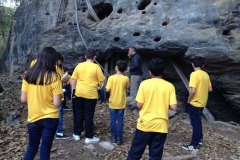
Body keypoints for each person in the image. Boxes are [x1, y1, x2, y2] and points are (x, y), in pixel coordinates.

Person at [127, 58, 177, 160]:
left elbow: (139, 105)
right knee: (155, 156)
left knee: (135, 153)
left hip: (145, 124)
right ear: (164, 71)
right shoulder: (169, 86)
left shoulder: (144, 84)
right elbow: (174, 107)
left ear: (149, 72)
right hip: (161, 126)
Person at [21, 47, 63, 160]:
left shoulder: (28, 75)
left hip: (33, 117)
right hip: (50, 117)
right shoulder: (54, 76)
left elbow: (23, 99)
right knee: (45, 150)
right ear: (52, 60)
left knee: (32, 147)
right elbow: (56, 103)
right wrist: (60, 95)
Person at [71, 49, 105, 143]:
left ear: (85, 57)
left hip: (79, 92)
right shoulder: (96, 67)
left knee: (78, 113)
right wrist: (100, 87)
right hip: (91, 94)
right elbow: (101, 81)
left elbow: (74, 79)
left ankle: (77, 134)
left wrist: (73, 92)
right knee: (89, 115)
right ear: (94, 57)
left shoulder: (79, 65)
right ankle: (89, 137)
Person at [182, 56, 212, 151]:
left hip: (195, 102)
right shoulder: (206, 75)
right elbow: (210, 89)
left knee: (195, 124)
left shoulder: (194, 75)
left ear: (192, 64)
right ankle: (199, 139)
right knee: (198, 122)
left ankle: (194, 145)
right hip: (202, 102)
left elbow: (193, 91)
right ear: (202, 65)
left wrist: (188, 100)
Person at [106, 60, 130, 145]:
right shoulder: (126, 78)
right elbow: (127, 86)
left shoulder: (111, 78)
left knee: (113, 120)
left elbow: (107, 89)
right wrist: (125, 74)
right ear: (124, 70)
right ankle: (119, 138)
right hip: (121, 103)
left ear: (116, 67)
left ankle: (113, 137)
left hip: (113, 102)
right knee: (120, 120)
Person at [55, 53, 70, 140]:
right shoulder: (54, 68)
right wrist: (62, 79)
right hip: (57, 92)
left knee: (58, 111)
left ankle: (57, 129)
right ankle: (59, 132)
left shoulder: (58, 68)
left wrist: (64, 79)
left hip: (59, 91)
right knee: (59, 111)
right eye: (60, 61)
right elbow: (56, 80)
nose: (61, 63)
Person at [72, 56, 86, 136]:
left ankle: (77, 130)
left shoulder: (77, 69)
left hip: (77, 93)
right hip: (86, 93)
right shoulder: (88, 69)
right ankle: (82, 128)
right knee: (84, 112)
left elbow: (73, 81)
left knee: (77, 112)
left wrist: (72, 93)